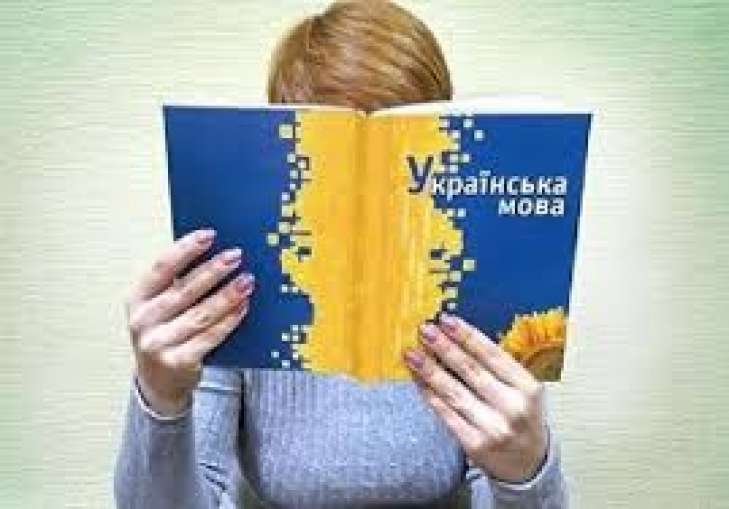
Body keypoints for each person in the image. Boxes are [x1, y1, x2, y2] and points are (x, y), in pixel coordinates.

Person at [114, 1, 568, 507]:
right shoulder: (244, 278)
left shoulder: (470, 277)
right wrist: (161, 398)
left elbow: (498, 484)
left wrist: (525, 471)